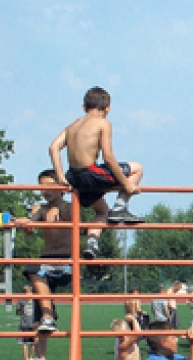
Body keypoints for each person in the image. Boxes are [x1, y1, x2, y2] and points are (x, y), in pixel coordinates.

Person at [49, 86, 144, 257]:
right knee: (137, 168)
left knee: (101, 211)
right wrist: (127, 185)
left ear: (84, 107)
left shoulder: (72, 126)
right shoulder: (103, 123)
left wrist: (61, 176)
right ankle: (120, 207)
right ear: (108, 109)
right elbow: (108, 157)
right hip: (91, 173)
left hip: (74, 177)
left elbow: (53, 147)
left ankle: (91, 245)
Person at [14, 169, 74, 360]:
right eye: (41, 187)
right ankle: (40, 357)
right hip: (46, 262)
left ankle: (48, 317)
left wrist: (62, 211)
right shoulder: (40, 208)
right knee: (39, 311)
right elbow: (31, 225)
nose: (45, 191)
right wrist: (25, 223)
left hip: (67, 260)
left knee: (37, 270)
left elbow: (75, 219)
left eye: (49, 186)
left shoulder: (70, 206)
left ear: (61, 187)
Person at [16, 285, 36, 360]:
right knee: (24, 343)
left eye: (30, 292)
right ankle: (26, 359)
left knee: (33, 343)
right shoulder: (21, 301)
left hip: (33, 325)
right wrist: (20, 309)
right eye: (26, 292)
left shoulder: (35, 301)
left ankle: (31, 358)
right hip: (24, 324)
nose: (28, 294)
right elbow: (18, 312)